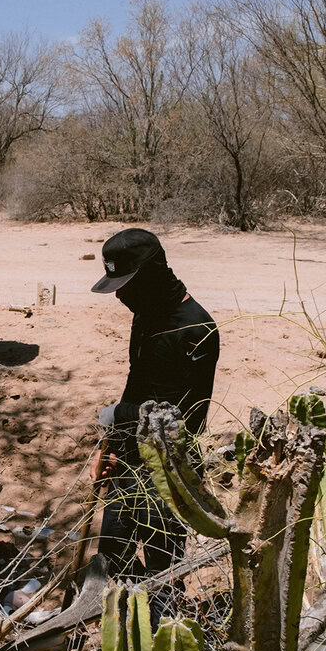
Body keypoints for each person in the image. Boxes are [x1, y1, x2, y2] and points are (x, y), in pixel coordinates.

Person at [89, 228, 220, 580]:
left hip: (169, 469)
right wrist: (111, 443)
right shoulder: (146, 314)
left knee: (163, 573)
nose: (120, 296)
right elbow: (138, 381)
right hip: (127, 458)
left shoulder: (196, 329)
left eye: (126, 285)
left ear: (152, 273)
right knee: (111, 563)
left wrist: (117, 414)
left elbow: (179, 419)